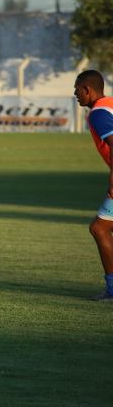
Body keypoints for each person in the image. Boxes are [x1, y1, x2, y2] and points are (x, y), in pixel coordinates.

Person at [74, 69, 113, 301]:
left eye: (77, 90)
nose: (75, 94)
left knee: (99, 228)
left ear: (87, 90)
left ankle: (112, 289)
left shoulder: (98, 113)